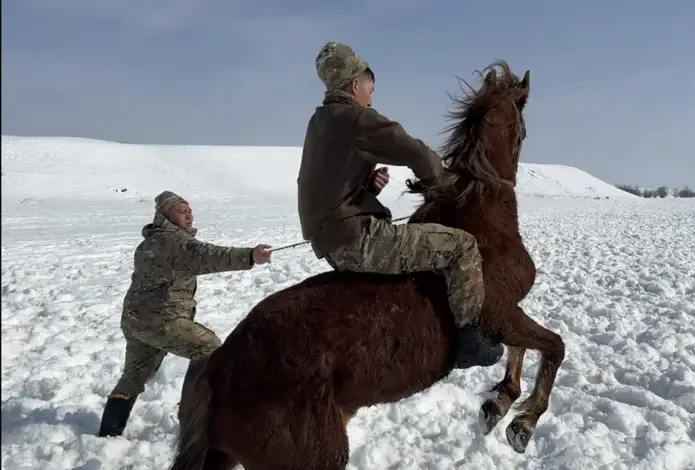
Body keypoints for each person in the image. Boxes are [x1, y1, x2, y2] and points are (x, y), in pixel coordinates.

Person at [297, 41, 503, 370]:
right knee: (462, 246)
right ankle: (469, 341)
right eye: (370, 89)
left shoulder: (320, 121)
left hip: (330, 240)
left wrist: (364, 187)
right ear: (354, 85)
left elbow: (323, 182)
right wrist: (441, 184)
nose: (371, 97)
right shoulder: (355, 117)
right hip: (357, 239)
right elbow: (416, 152)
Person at [97, 190, 273, 438]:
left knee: (132, 378)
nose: (189, 215)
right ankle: (193, 417)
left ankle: (108, 435)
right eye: (182, 211)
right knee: (209, 348)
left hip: (136, 320)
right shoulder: (173, 243)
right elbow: (205, 256)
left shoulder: (151, 241)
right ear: (165, 215)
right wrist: (249, 256)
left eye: (190, 211)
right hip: (161, 320)